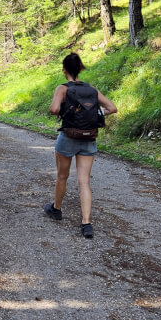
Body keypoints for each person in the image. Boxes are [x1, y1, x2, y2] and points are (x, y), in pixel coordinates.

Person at [44, 53, 117, 238]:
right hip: (88, 138)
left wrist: (70, 114)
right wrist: (93, 114)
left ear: (64, 70)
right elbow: (112, 108)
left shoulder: (63, 88)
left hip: (68, 137)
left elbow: (53, 109)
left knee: (62, 176)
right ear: (81, 68)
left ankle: (57, 209)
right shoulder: (92, 90)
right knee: (84, 181)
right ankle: (86, 223)